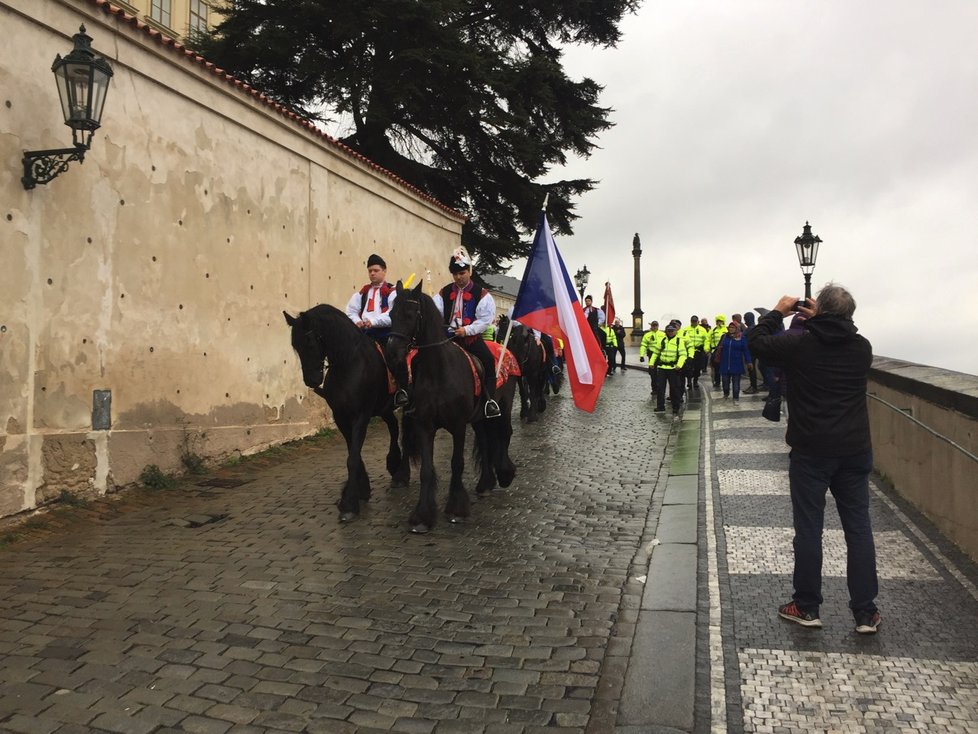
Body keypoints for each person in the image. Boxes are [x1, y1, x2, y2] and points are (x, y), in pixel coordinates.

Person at [748, 284, 880, 635]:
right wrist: (822, 319)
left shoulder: (800, 344)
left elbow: (757, 343)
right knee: (859, 530)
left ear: (819, 310)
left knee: (809, 530)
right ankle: (865, 613)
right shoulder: (861, 348)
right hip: (854, 450)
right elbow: (834, 338)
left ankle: (807, 607)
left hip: (810, 451)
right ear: (850, 314)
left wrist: (778, 310)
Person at [345, 254, 396, 344]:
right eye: (370, 271)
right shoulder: (363, 292)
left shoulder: (392, 291)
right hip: (363, 334)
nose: (372, 273)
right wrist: (358, 321)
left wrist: (373, 322)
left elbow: (394, 314)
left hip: (385, 336)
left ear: (384, 271)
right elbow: (351, 311)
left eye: (376, 270)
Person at [650, 322, 687, 416]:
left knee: (674, 389)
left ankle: (676, 408)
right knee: (660, 388)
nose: (670, 332)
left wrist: (679, 365)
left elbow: (683, 355)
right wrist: (651, 363)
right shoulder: (662, 340)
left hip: (673, 368)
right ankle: (660, 407)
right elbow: (655, 353)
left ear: (675, 331)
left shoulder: (679, 341)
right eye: (668, 331)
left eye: (672, 331)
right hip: (662, 367)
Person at [715, 321, 752, 400]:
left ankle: (736, 397)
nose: (731, 329)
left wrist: (749, 361)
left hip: (736, 364)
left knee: (736, 384)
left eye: (733, 327)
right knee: (725, 383)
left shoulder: (742, 338)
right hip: (724, 364)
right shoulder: (724, 337)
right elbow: (718, 348)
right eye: (730, 327)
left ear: (737, 328)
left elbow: (746, 351)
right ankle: (726, 394)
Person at [681, 315, 709, 390]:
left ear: (698, 321)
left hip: (698, 351)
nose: (693, 323)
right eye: (692, 321)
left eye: (695, 321)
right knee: (688, 368)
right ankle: (689, 381)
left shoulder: (702, 330)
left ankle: (695, 380)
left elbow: (706, 340)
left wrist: (706, 348)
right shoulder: (686, 329)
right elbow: (683, 339)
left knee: (698, 368)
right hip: (689, 351)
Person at [639, 321, 664, 395]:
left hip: (660, 356)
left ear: (658, 326)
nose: (655, 327)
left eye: (656, 325)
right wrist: (641, 355)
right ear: (651, 326)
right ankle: (654, 389)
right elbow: (643, 345)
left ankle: (660, 387)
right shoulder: (647, 335)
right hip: (651, 355)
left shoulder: (662, 334)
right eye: (653, 325)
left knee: (660, 373)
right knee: (652, 373)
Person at [708, 315, 727, 388]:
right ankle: (717, 381)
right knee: (716, 368)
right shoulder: (713, 330)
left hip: (724, 351)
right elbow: (708, 339)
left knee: (725, 368)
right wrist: (707, 348)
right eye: (718, 321)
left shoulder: (726, 330)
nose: (719, 323)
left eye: (720, 321)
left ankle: (726, 382)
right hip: (715, 351)